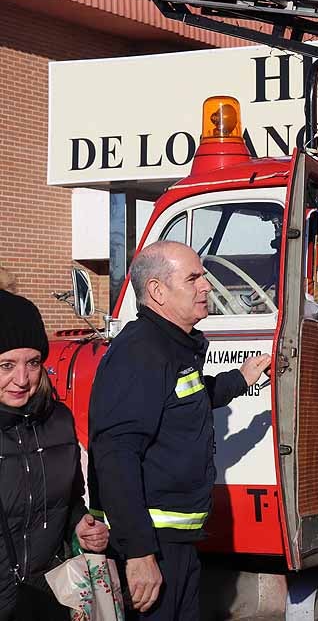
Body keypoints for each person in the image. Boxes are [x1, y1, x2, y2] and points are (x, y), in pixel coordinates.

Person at [88, 241, 271, 620]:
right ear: (157, 291)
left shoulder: (171, 348)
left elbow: (190, 397)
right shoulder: (140, 352)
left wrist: (242, 377)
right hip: (152, 547)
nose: (206, 286)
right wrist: (139, 554)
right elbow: (116, 456)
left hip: (177, 546)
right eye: (193, 278)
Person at [0, 289, 109, 621]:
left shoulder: (59, 421)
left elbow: (70, 498)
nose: (22, 379)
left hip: (48, 594)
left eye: (33, 363)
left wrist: (80, 525)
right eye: (5, 365)